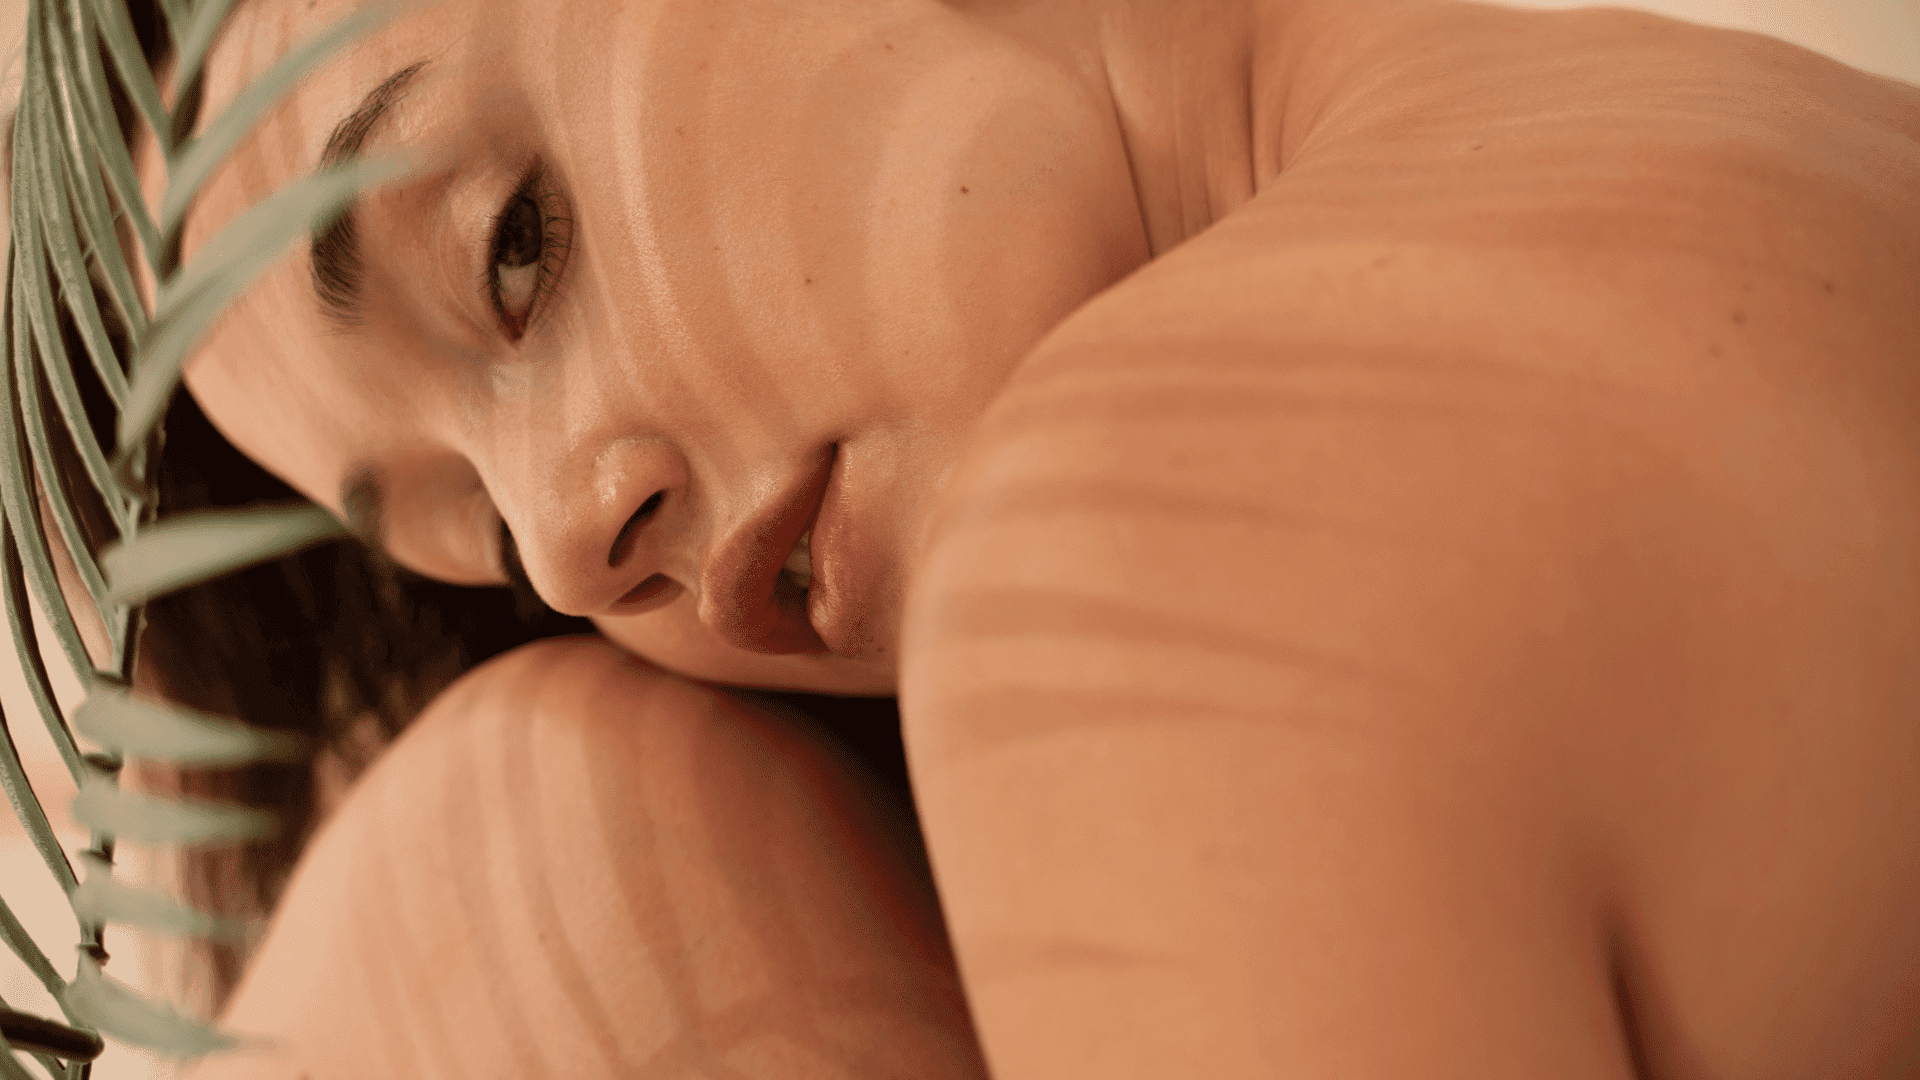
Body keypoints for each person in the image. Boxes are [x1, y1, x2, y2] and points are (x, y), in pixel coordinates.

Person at [68, 0, 1920, 1074]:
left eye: (514, 243)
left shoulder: (1156, 557)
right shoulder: (1801, 157)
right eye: (464, 532)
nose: (565, 546)